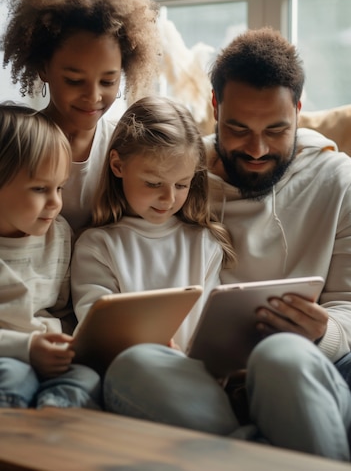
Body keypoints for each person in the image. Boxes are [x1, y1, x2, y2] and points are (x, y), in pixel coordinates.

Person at [102, 27, 351, 461]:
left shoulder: (338, 179)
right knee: (130, 365)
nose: (256, 148)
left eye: (276, 129)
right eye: (238, 128)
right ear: (214, 106)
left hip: (302, 370)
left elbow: (348, 303)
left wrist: (325, 333)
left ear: (298, 109)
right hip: (203, 380)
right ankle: (258, 450)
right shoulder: (180, 175)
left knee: (280, 356)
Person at [1, 0, 162, 232]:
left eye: (108, 81)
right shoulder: (15, 144)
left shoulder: (128, 149)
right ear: (43, 68)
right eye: (74, 80)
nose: (93, 96)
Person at [71, 95, 236, 356]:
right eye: (153, 183)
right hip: (128, 369)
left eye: (181, 184)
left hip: (190, 370)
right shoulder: (97, 246)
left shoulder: (204, 242)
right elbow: (96, 328)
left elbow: (210, 327)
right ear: (117, 165)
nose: (169, 198)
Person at [0, 103, 101, 409]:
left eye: (60, 187)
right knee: (14, 377)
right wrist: (27, 348)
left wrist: (71, 344)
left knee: (87, 379)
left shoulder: (59, 236)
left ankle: (52, 429)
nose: (55, 202)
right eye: (41, 188)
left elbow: (62, 310)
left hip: (52, 356)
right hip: (9, 356)